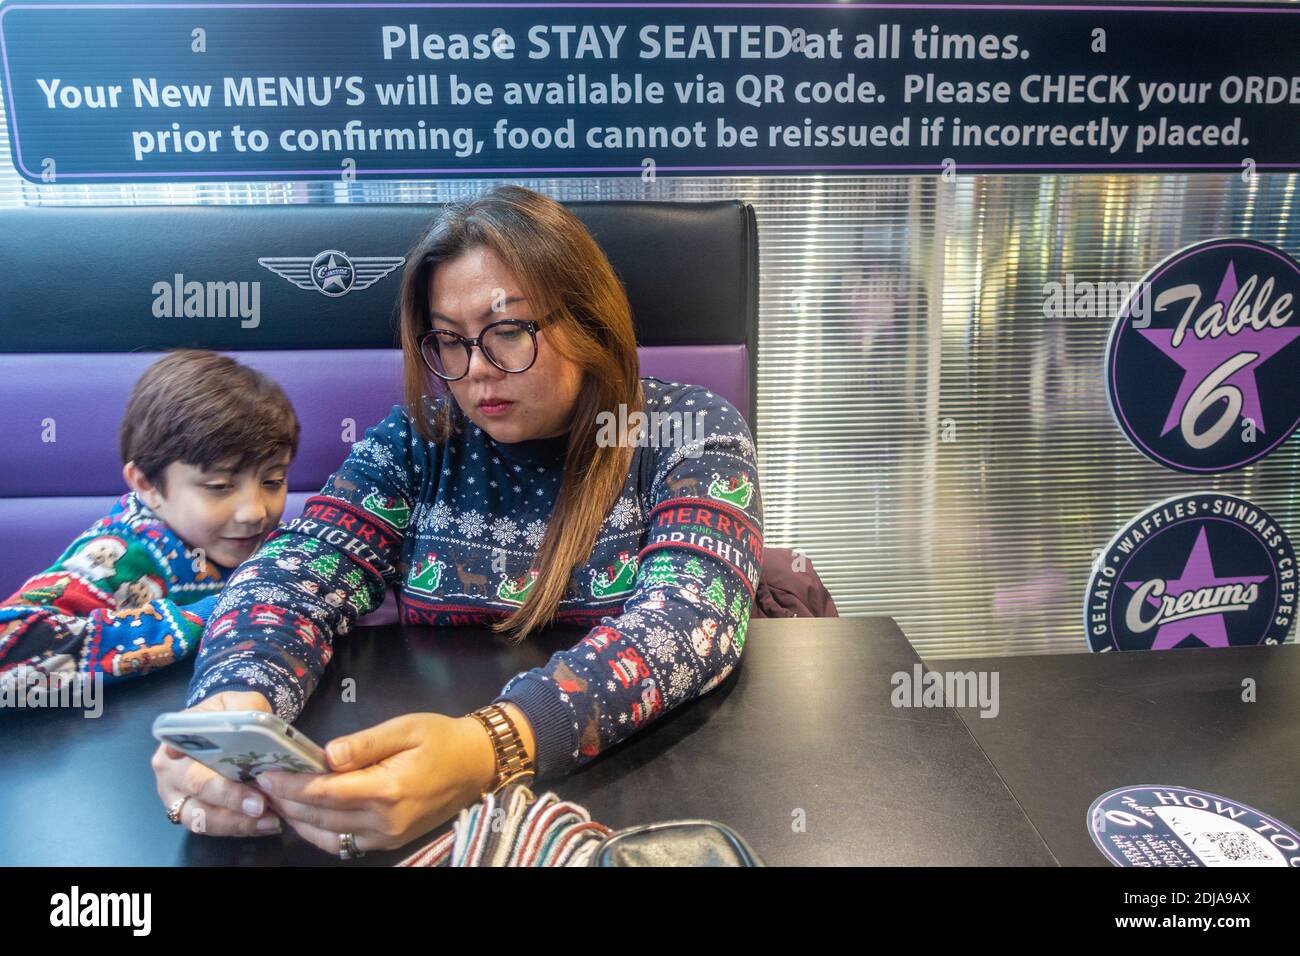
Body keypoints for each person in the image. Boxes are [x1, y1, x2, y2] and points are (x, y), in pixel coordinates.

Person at [152, 185, 764, 856]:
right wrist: (235, 701)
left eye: (507, 332)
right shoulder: (423, 436)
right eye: (449, 342)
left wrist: (490, 748)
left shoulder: (689, 430)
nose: (474, 372)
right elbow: (295, 572)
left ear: (588, 322)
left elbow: (690, 621)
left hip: (635, 800)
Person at [0, 350, 299, 691]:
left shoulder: (270, 545)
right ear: (147, 485)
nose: (255, 512)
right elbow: (10, 639)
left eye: (273, 481)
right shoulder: (120, 557)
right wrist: (220, 611)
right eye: (220, 486)